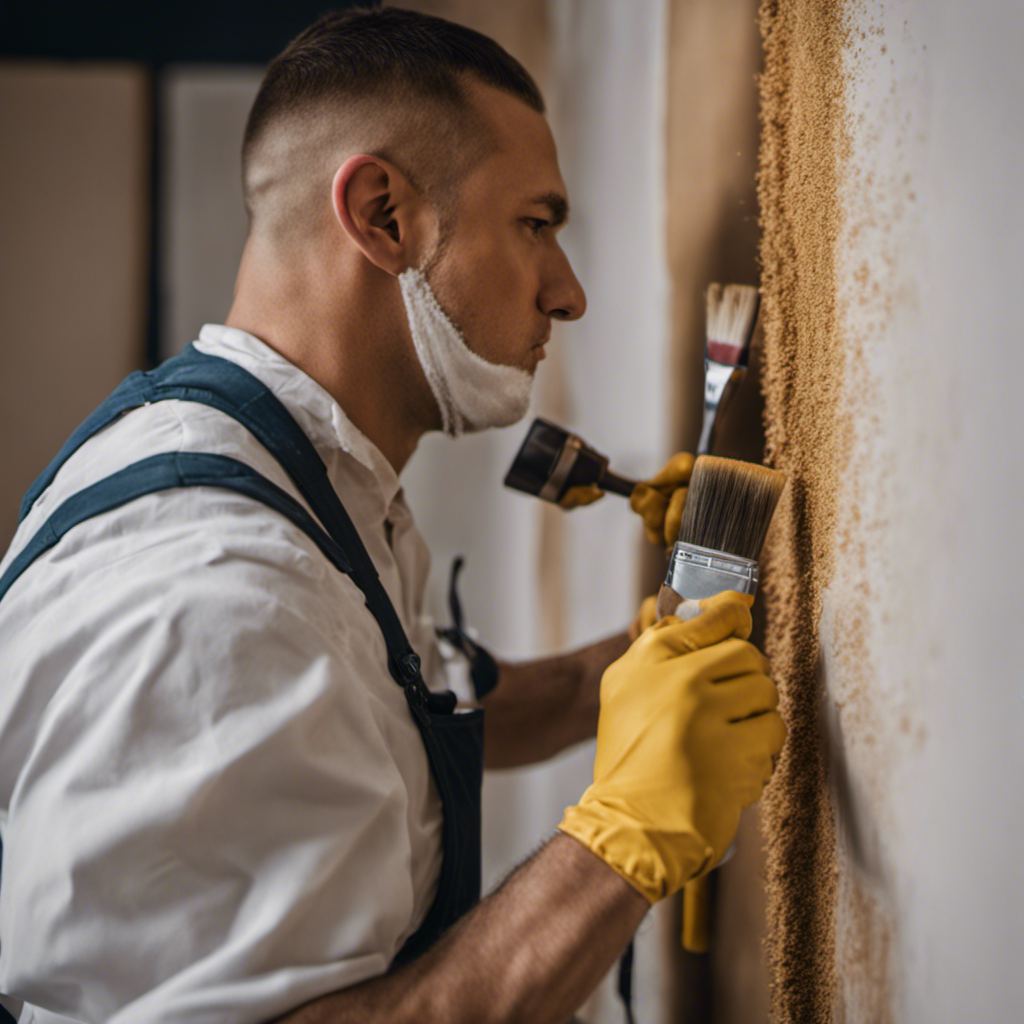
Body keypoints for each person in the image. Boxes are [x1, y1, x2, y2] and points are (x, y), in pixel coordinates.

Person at [0, 8, 785, 1024]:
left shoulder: (274, 469)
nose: (569, 292)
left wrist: (628, 666)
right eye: (535, 225)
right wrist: (618, 842)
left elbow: (380, 715)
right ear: (383, 216)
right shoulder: (217, 600)